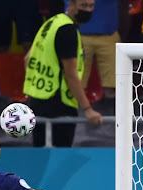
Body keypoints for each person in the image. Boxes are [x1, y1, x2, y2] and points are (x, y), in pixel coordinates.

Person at [24, 0, 104, 147]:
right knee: (59, 159)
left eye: (91, 6)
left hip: (38, 100)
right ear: (71, 5)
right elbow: (71, 75)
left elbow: (27, 58)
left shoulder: (52, 22)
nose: (88, 10)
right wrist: (88, 109)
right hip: (59, 105)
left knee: (40, 156)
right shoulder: (68, 31)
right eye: (83, 6)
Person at [79, 0, 121, 99]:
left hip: (109, 34)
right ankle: (77, 110)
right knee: (77, 81)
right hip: (79, 34)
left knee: (115, 84)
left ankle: (115, 111)